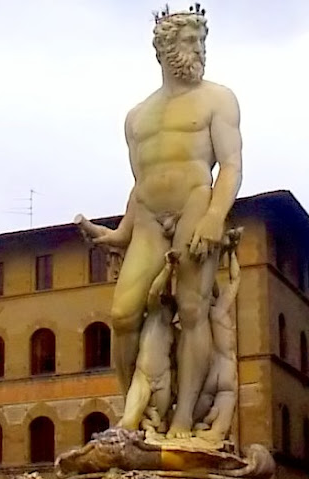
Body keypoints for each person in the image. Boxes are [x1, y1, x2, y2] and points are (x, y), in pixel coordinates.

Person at [90, 5, 242, 438]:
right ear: (164, 48)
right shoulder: (136, 117)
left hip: (196, 207)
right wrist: (120, 232)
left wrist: (214, 216)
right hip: (148, 220)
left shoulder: (218, 98)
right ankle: (135, 417)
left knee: (192, 311)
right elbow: (141, 183)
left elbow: (231, 166)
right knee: (123, 315)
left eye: (202, 41)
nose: (200, 49)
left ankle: (183, 418)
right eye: (191, 41)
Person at [119, 250, 179, 431]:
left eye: (171, 310)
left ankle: (147, 425)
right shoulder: (154, 315)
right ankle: (138, 424)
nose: (169, 312)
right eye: (167, 307)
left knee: (159, 424)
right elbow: (153, 292)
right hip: (143, 376)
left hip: (163, 379)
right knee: (129, 422)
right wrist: (168, 268)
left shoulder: (174, 331)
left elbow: (177, 360)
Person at [193, 228, 242, 443]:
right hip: (226, 367)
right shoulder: (219, 312)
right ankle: (216, 431)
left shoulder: (196, 318)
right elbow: (235, 279)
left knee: (198, 411)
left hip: (210, 373)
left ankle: (195, 425)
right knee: (226, 399)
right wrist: (232, 253)